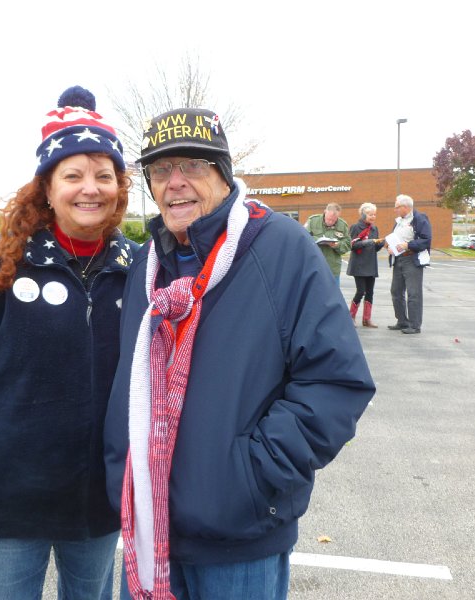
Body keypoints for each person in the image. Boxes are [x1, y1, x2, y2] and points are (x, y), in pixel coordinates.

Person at [103, 107, 376, 599]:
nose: (175, 183)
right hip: (149, 523)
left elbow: (336, 381)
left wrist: (253, 474)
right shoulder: (147, 264)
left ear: (224, 175)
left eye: (193, 166)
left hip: (241, 537)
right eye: (161, 171)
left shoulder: (281, 249)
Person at [0, 85, 137, 600]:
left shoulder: (138, 269)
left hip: (98, 498)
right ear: (47, 187)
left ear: (119, 187)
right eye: (74, 175)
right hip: (9, 497)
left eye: (104, 175)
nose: (91, 188)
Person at [386, 194, 432, 334]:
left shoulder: (419, 219)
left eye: (397, 207)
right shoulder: (399, 221)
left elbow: (426, 240)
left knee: (413, 293)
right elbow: (396, 238)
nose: (395, 210)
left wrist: (408, 245)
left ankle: (414, 325)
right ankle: (402, 321)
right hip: (398, 259)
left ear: (405, 207)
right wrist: (389, 246)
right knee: (396, 291)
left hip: (412, 259)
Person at [347, 202, 385, 327]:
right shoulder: (355, 227)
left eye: (374, 214)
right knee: (360, 291)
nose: (373, 217)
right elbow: (352, 245)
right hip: (359, 265)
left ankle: (366, 319)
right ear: (363, 214)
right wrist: (368, 242)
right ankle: (350, 317)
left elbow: (374, 248)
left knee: (370, 292)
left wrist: (380, 244)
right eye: (370, 214)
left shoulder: (375, 228)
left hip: (371, 264)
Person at [304, 202, 351, 280]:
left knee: (333, 292)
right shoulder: (312, 221)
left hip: (332, 268)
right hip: (314, 266)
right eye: (329, 219)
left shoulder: (342, 225)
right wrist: (317, 240)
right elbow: (304, 238)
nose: (330, 222)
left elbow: (348, 244)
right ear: (325, 212)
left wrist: (337, 245)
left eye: (334, 220)